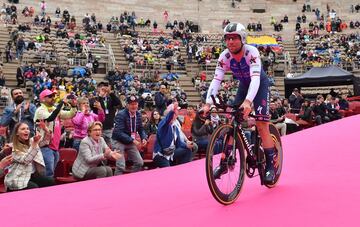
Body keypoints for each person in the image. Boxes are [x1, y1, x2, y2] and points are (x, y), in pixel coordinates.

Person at [205, 22, 277, 183]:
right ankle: (225, 163)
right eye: (227, 38)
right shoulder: (224, 56)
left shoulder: (252, 52)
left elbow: (256, 79)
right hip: (244, 85)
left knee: (261, 124)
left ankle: (270, 165)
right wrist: (207, 103)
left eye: (234, 38)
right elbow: (216, 80)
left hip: (259, 84)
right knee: (233, 120)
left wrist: (247, 102)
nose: (230, 42)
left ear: (242, 38)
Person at [34, 89, 77, 177]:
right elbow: (50, 117)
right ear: (42, 99)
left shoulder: (54, 109)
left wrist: (73, 106)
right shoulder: (40, 110)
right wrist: (61, 103)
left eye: (53, 96)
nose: (53, 98)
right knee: (47, 174)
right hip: (45, 146)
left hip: (55, 146)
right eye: (50, 96)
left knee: (51, 173)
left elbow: (70, 115)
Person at [5, 122, 54, 191]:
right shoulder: (12, 147)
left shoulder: (31, 142)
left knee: (50, 181)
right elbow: (26, 160)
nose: (26, 130)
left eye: (27, 128)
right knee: (34, 187)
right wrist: (35, 143)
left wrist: (45, 129)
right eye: (23, 129)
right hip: (17, 177)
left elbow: (45, 141)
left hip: (31, 175)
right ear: (17, 133)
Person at [112, 95, 147, 175]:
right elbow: (119, 132)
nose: (133, 106)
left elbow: (140, 129)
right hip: (118, 141)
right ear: (127, 105)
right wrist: (133, 140)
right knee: (121, 165)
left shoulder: (138, 114)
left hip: (129, 141)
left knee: (139, 162)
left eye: (135, 104)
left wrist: (143, 138)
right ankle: (116, 183)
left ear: (138, 105)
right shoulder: (121, 115)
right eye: (131, 104)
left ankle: (131, 179)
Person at [153, 103, 193, 168]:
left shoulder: (175, 127)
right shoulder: (163, 124)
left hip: (171, 153)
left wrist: (187, 145)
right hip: (160, 155)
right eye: (174, 113)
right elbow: (167, 120)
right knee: (168, 170)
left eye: (176, 113)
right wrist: (172, 111)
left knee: (187, 150)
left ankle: (183, 169)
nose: (176, 115)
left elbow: (179, 142)